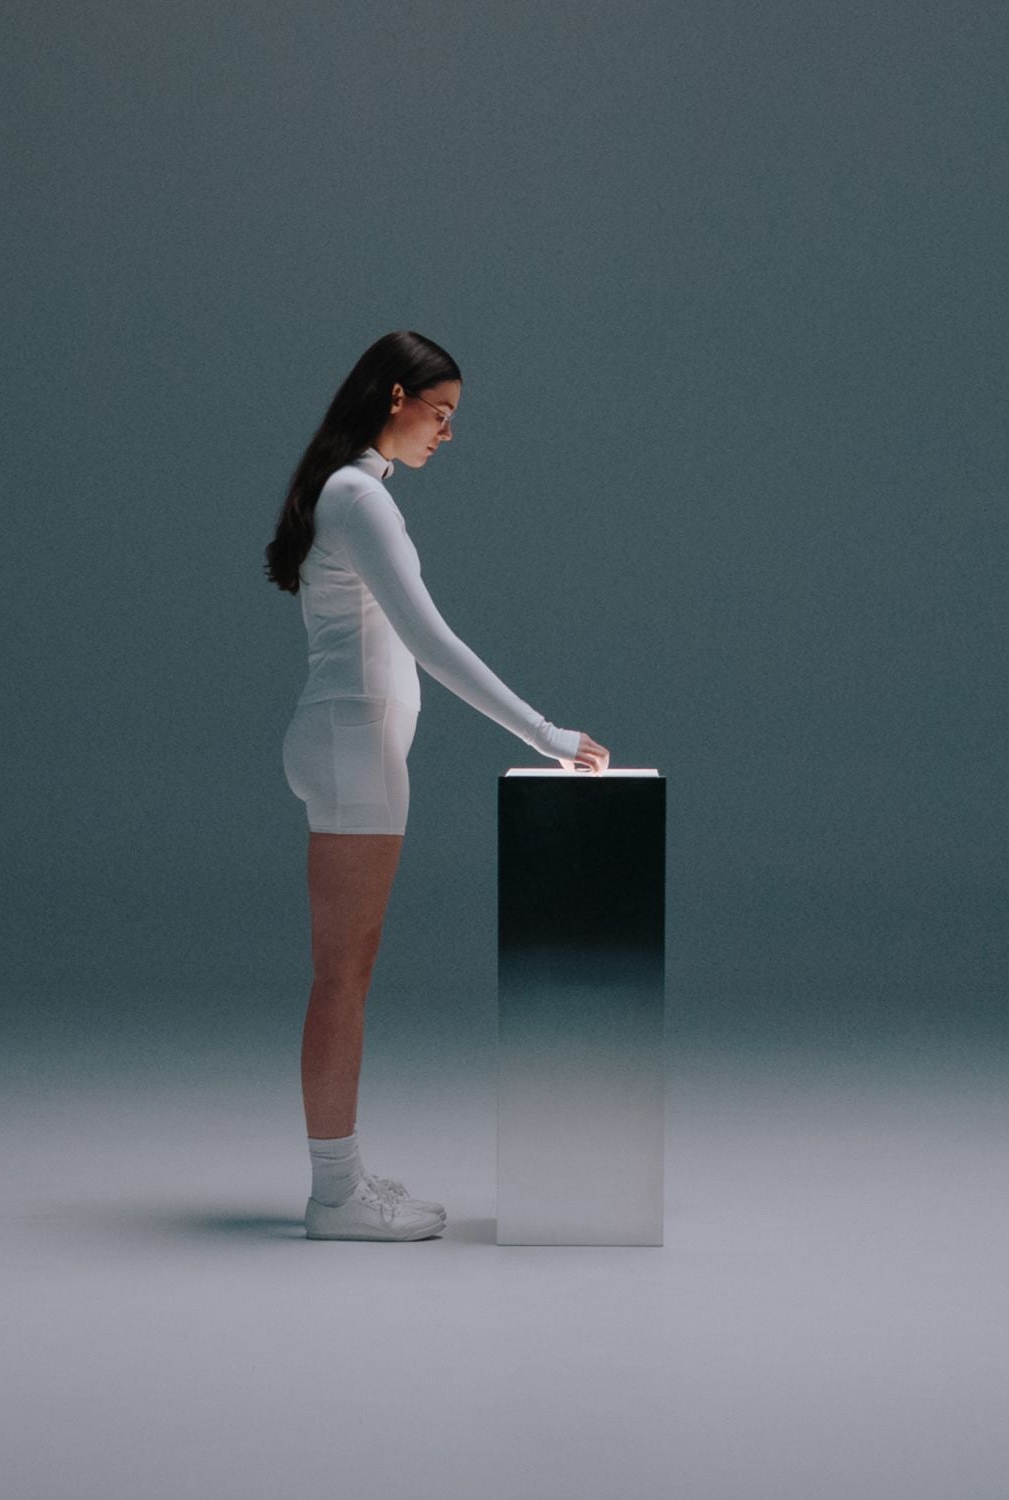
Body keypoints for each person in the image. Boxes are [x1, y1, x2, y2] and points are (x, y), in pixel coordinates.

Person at [265, 331, 611, 1241]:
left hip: (351, 743)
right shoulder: (356, 495)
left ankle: (344, 1175)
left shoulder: (350, 492)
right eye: (440, 415)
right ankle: (333, 1194)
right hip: (352, 748)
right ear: (393, 397)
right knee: (343, 974)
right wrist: (546, 733)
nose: (446, 436)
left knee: (350, 970)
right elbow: (430, 641)